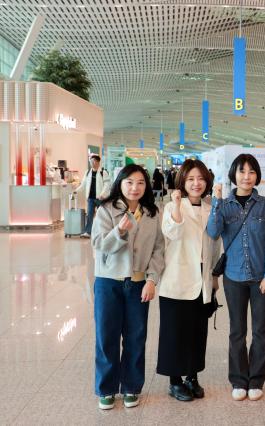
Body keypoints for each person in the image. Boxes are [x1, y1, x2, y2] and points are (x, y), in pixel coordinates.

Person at [207, 154, 265, 402]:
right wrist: (216, 202)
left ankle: (256, 379)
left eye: (251, 172)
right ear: (233, 175)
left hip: (261, 278)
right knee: (237, 331)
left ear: (257, 176)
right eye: (241, 171)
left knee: (260, 330)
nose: (246, 176)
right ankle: (238, 379)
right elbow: (213, 232)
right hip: (233, 277)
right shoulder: (225, 205)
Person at [91, 164, 164, 410]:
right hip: (108, 282)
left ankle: (132, 387)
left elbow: (158, 249)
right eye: (130, 182)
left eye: (141, 182)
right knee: (107, 336)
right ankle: (107, 389)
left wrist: (152, 280)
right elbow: (99, 243)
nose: (135, 187)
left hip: (138, 283)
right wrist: (119, 231)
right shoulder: (106, 210)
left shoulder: (152, 213)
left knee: (135, 337)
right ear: (120, 183)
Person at [157, 159, 221, 402]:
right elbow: (172, 233)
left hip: (203, 279)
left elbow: (215, 244)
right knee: (174, 333)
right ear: (182, 181)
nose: (196, 183)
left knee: (197, 332)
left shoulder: (209, 207)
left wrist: (215, 276)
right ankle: (174, 381)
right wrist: (175, 206)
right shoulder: (172, 206)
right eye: (191, 179)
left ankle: (192, 377)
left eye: (201, 179)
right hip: (177, 278)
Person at [77, 154, 111, 238]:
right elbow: (83, 184)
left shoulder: (103, 172)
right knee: (89, 215)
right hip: (90, 198)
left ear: (98, 162)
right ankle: (88, 232)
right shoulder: (88, 172)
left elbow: (107, 185)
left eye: (93, 161)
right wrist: (76, 191)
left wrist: (102, 194)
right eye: (90, 161)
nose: (91, 163)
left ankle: (103, 231)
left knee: (102, 216)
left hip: (100, 198)